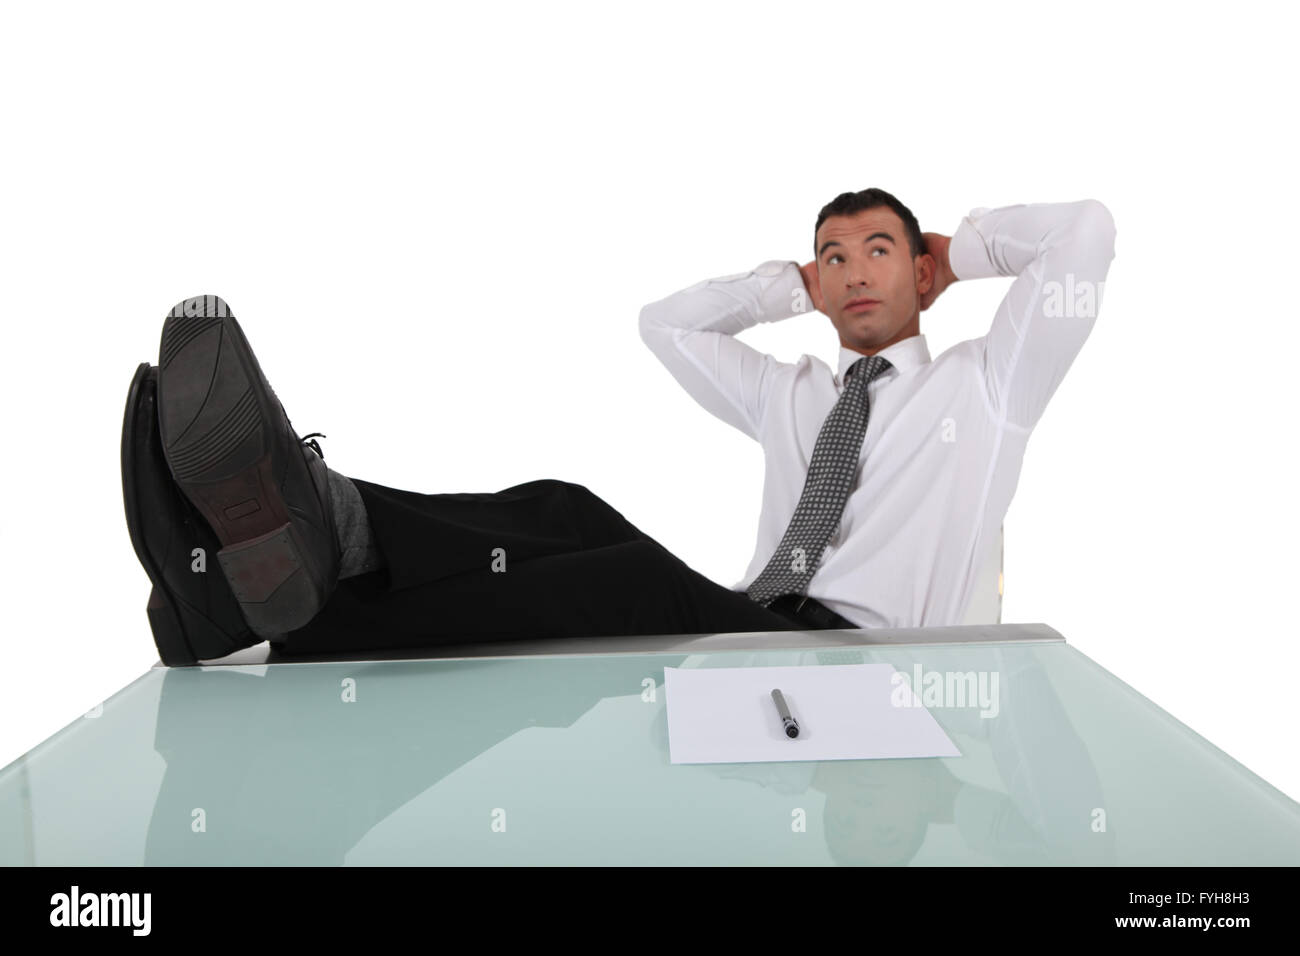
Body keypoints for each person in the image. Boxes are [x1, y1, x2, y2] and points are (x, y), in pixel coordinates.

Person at [121, 188, 1116, 665]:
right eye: (832, 255)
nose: (855, 269)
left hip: (881, 664)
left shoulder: (990, 385)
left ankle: (265, 579)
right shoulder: (794, 392)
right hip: (764, 628)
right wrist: (786, 286)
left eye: (880, 250)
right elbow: (666, 325)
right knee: (566, 505)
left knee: (626, 580)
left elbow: (1086, 235)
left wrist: (961, 246)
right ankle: (283, 547)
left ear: (921, 272)